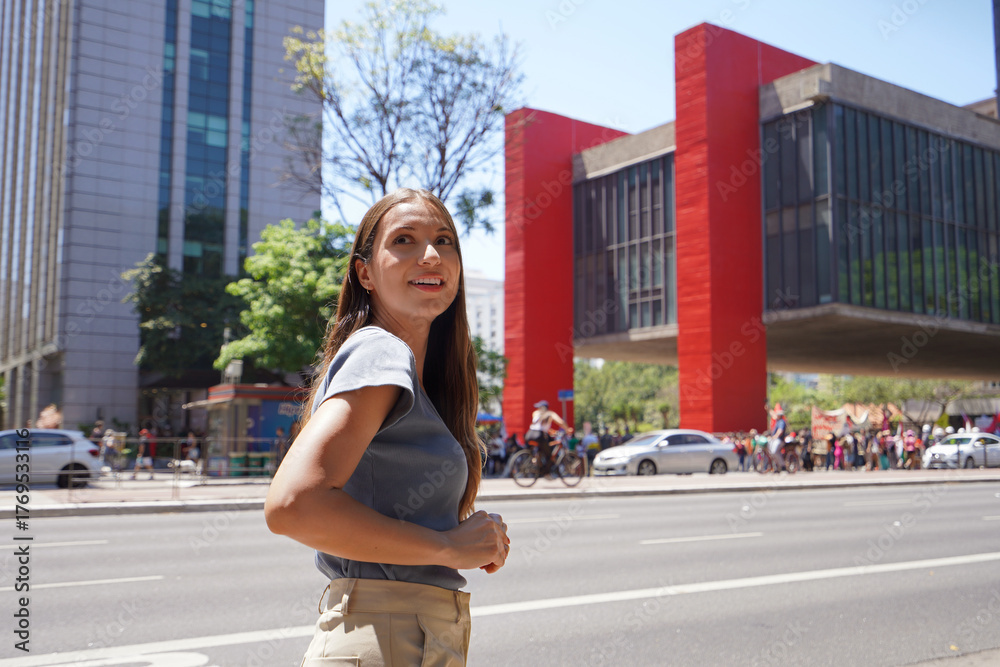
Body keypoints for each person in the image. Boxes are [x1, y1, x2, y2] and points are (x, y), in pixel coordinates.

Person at [264, 189, 508, 666]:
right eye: (404, 240)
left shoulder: (414, 371)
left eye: (445, 240)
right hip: (386, 638)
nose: (432, 255)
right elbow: (293, 506)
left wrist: (467, 535)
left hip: (404, 636)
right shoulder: (381, 351)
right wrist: (445, 546)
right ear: (365, 273)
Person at [524, 399, 567, 476]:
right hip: (538, 435)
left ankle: (536, 461)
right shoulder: (550, 414)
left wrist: (551, 431)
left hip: (529, 434)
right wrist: (567, 429)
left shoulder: (535, 413)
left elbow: (541, 426)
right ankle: (546, 472)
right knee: (549, 455)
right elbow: (561, 422)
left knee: (540, 450)